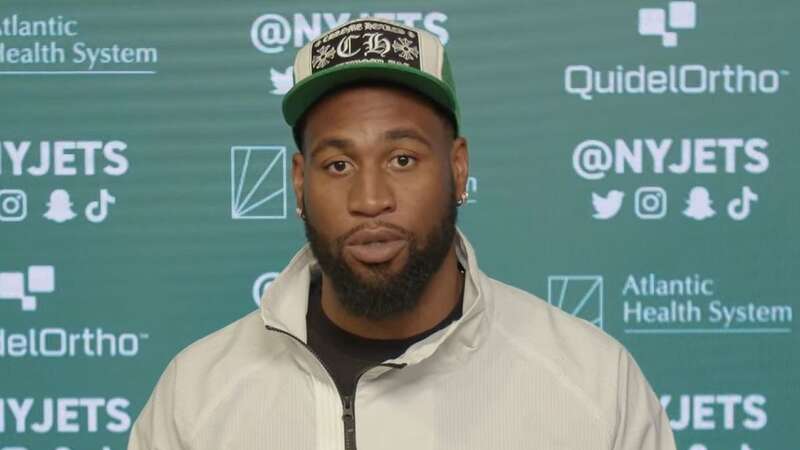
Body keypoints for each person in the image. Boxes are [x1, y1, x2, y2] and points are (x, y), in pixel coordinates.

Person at [128, 17, 677, 450]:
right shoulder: (197, 393)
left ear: (458, 169)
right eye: (338, 165)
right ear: (299, 183)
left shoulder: (592, 382)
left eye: (403, 158)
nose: (370, 199)